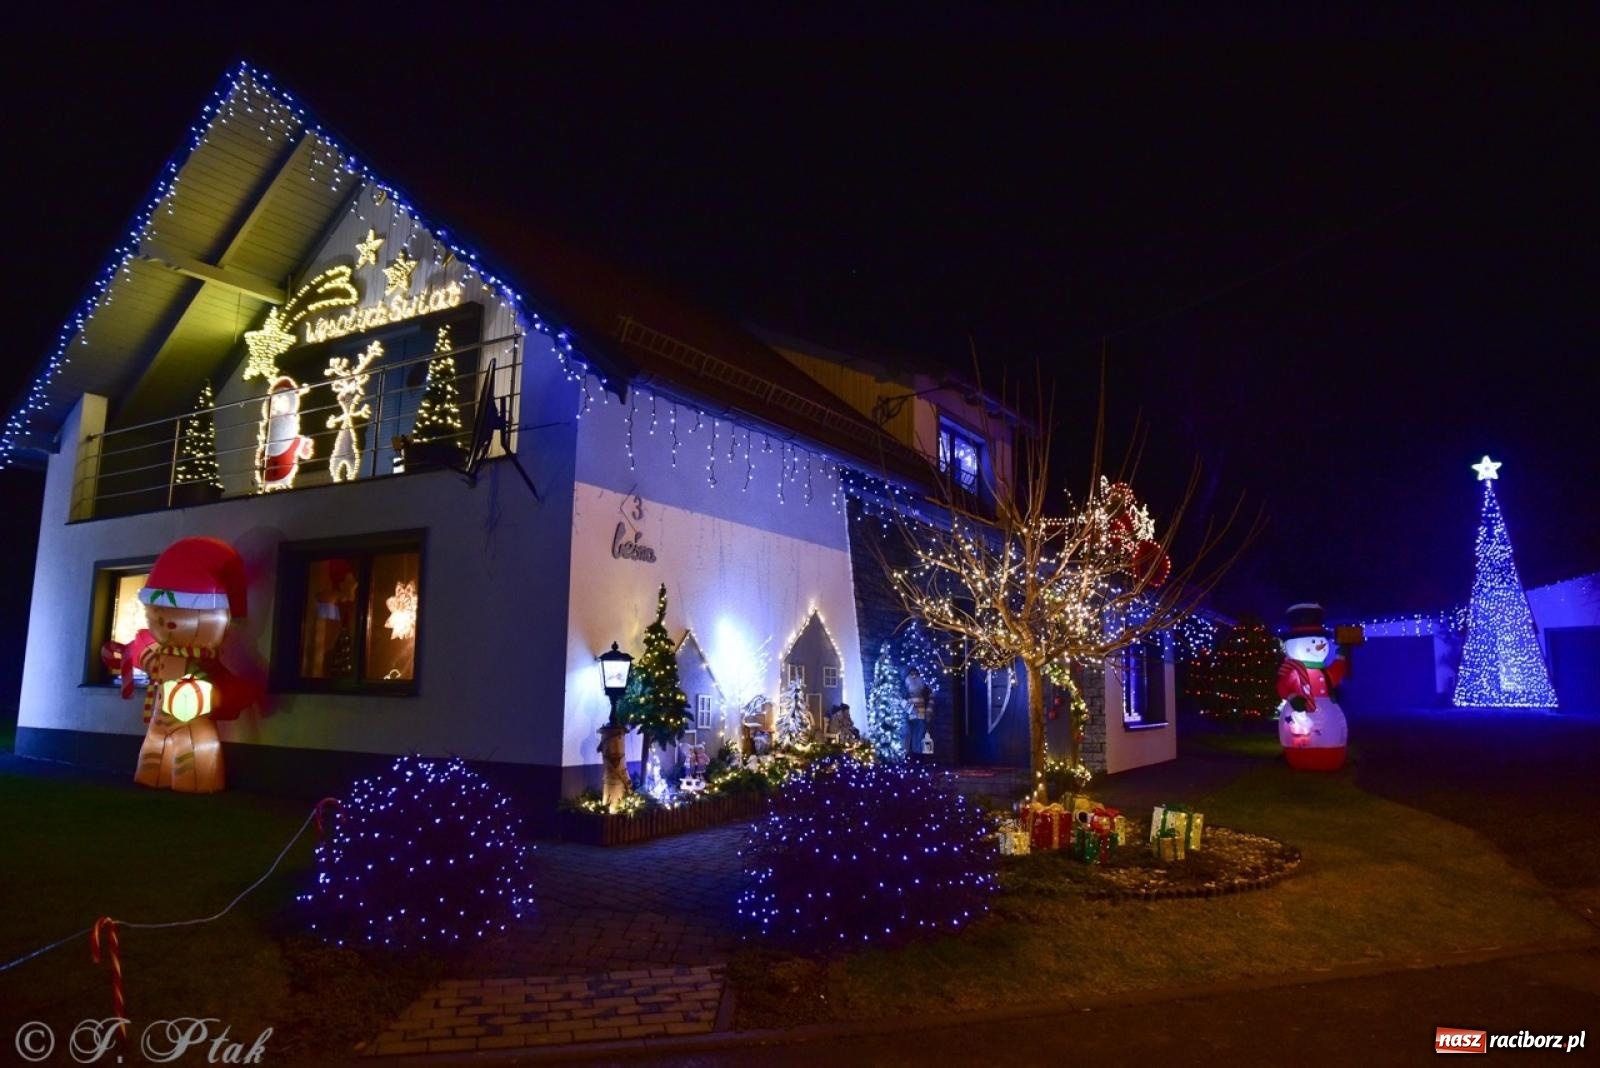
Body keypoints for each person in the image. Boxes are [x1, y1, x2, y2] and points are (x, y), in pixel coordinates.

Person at [905, 668, 931, 760]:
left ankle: (920, 755)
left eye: (916, 674)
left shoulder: (924, 690)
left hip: (921, 716)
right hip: (910, 717)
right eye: (912, 674)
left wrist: (928, 713)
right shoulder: (906, 692)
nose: (914, 676)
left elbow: (929, 701)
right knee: (911, 736)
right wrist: (910, 710)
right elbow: (904, 703)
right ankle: (913, 755)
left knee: (920, 735)